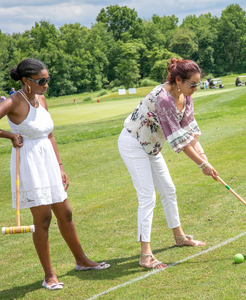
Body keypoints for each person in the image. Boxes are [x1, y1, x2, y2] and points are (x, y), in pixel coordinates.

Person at [0, 58, 110, 291]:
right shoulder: (14, 101)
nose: (46, 84)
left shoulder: (41, 99)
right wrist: (10, 136)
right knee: (43, 220)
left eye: (47, 79)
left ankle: (82, 261)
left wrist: (60, 166)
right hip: (29, 162)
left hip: (48, 160)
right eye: (41, 80)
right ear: (25, 81)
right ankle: (49, 275)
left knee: (66, 213)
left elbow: (50, 135)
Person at [118, 58, 218, 269]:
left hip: (152, 146)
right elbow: (178, 140)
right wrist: (202, 166)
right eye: (192, 84)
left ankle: (179, 237)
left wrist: (204, 157)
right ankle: (146, 255)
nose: (195, 89)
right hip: (133, 143)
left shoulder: (186, 95)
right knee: (147, 196)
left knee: (169, 190)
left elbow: (190, 131)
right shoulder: (163, 99)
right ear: (179, 80)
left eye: (197, 84)